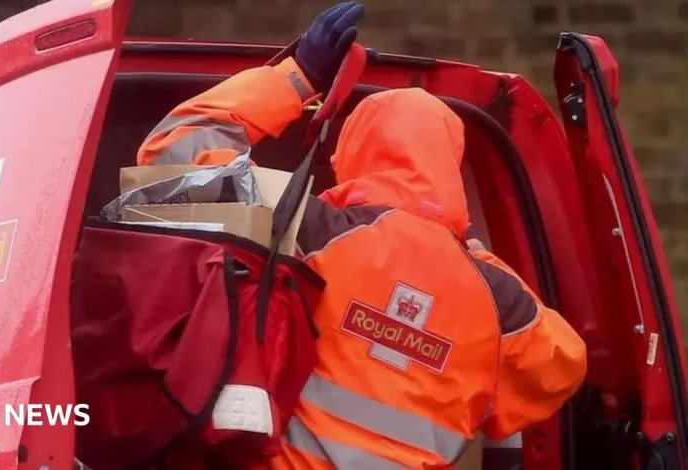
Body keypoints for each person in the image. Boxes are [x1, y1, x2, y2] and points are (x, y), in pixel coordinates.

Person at [137, 2, 588, 468]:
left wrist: (297, 77)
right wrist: (466, 255)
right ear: (448, 164)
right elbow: (561, 367)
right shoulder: (498, 298)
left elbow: (171, 164)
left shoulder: (306, 228)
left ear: (350, 155)